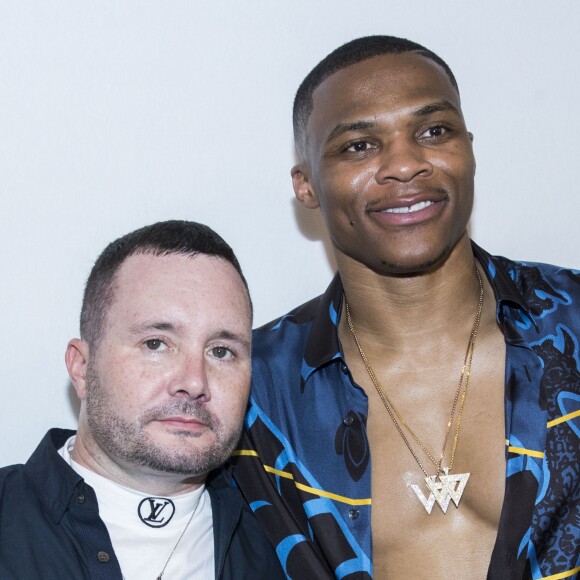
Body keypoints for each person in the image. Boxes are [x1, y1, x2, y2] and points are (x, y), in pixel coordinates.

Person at [231, 36, 580, 579]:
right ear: (307, 187)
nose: (405, 164)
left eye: (433, 131)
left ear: (468, 146)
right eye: (358, 146)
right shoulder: (249, 390)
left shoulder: (574, 321)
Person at [0, 220, 284, 579]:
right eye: (156, 344)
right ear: (82, 367)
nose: (195, 382)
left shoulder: (285, 542)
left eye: (221, 351)